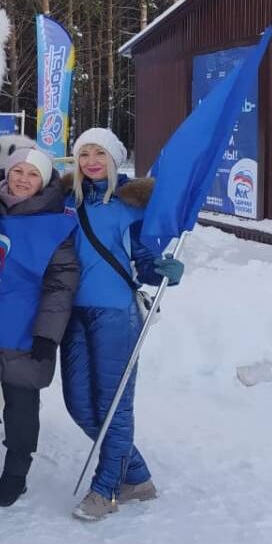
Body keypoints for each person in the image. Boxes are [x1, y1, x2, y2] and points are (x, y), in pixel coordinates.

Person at [61, 127, 185, 521]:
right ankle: (137, 475)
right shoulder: (67, 200)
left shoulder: (134, 205)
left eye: (100, 153)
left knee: (114, 405)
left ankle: (107, 488)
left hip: (116, 314)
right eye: (84, 154)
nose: (91, 161)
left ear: (115, 159)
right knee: (80, 405)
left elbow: (146, 262)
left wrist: (163, 269)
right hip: (71, 314)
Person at [0, 148, 79, 507]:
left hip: (24, 330)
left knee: (20, 405)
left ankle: (16, 472)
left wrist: (48, 334)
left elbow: (61, 283)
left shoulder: (55, 224)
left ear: (44, 181)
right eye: (18, 171)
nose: (23, 179)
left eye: (33, 174)